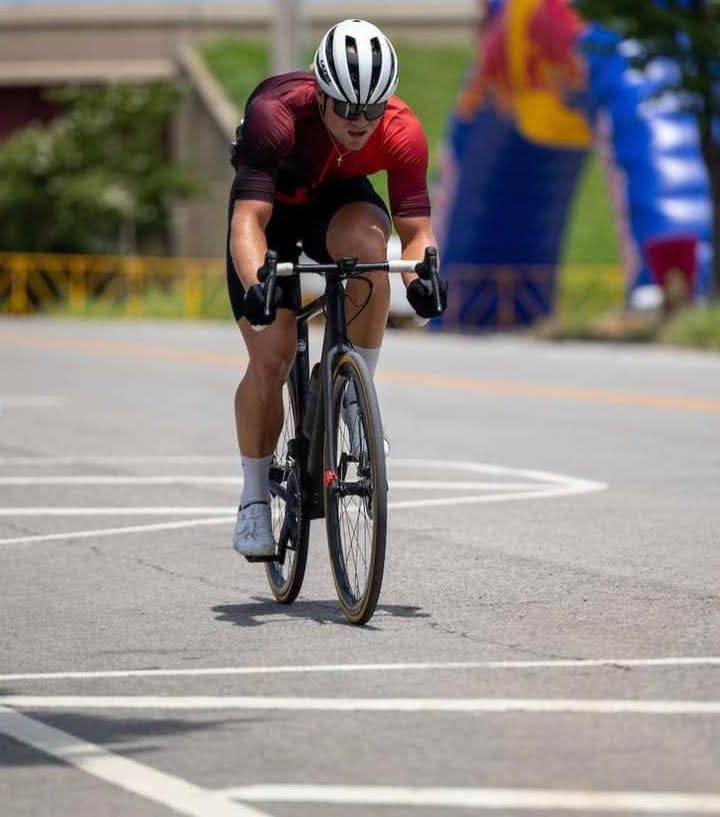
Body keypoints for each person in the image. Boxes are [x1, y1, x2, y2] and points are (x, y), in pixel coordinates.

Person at [227, 18, 448, 558]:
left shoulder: (402, 131)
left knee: (373, 249)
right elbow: (247, 223)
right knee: (271, 360)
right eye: (347, 109)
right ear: (322, 93)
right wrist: (258, 281)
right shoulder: (274, 115)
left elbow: (416, 234)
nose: (359, 122)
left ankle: (352, 393)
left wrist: (423, 275)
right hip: (272, 213)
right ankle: (255, 497)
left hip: (337, 203)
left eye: (371, 110)